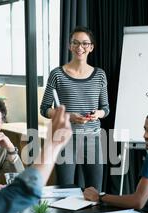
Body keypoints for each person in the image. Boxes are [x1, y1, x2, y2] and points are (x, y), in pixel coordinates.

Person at [40, 26, 109, 191]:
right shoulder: (57, 74)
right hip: (65, 139)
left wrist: (96, 114)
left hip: (93, 139)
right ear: (70, 46)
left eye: (85, 43)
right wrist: (68, 116)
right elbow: (44, 109)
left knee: (95, 191)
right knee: (65, 190)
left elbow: (105, 109)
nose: (80, 47)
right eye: (76, 43)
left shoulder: (100, 75)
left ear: (91, 47)